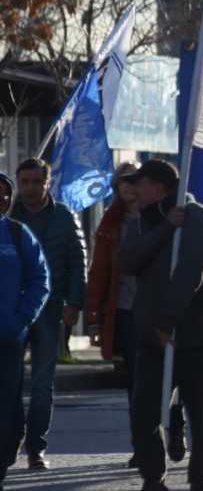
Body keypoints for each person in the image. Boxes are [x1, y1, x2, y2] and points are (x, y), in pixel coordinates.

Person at [120, 160, 203, 491]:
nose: (133, 190)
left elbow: (191, 271)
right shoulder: (142, 222)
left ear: (159, 187)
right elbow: (128, 261)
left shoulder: (197, 216)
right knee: (144, 413)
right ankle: (153, 477)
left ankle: (200, 478)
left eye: (139, 183)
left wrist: (168, 318)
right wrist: (166, 227)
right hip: (154, 340)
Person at [10, 157, 86, 472]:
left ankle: (36, 448)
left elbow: (78, 261)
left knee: (42, 383)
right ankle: (10, 441)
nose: (30, 188)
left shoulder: (64, 217)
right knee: (9, 382)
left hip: (50, 309)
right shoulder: (8, 216)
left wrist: (75, 302)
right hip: (11, 312)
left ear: (47, 183)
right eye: (24, 182)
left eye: (36, 182)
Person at [85, 162, 141, 467]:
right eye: (123, 181)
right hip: (126, 311)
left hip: (159, 309)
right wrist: (94, 318)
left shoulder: (159, 217)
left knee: (170, 377)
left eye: (135, 180)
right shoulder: (111, 222)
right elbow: (99, 273)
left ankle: (173, 423)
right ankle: (142, 445)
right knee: (136, 381)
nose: (129, 186)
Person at [0, 172, 50, 491]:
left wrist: (20, 320)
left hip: (7, 338)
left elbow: (39, 280)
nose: (2, 198)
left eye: (5, 193)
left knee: (6, 405)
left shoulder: (17, 234)